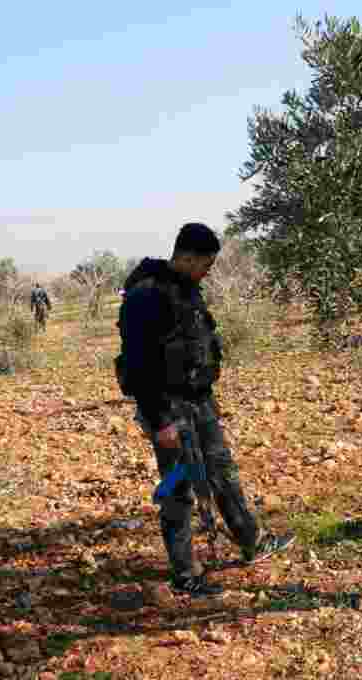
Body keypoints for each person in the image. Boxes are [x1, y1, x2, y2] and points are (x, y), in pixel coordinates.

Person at [116, 222, 293, 596]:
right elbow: (138, 365)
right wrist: (161, 420)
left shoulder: (186, 289)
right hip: (167, 407)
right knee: (179, 488)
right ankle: (185, 574)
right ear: (185, 256)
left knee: (222, 471)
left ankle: (252, 541)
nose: (208, 272)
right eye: (205, 265)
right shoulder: (146, 295)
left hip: (198, 401)